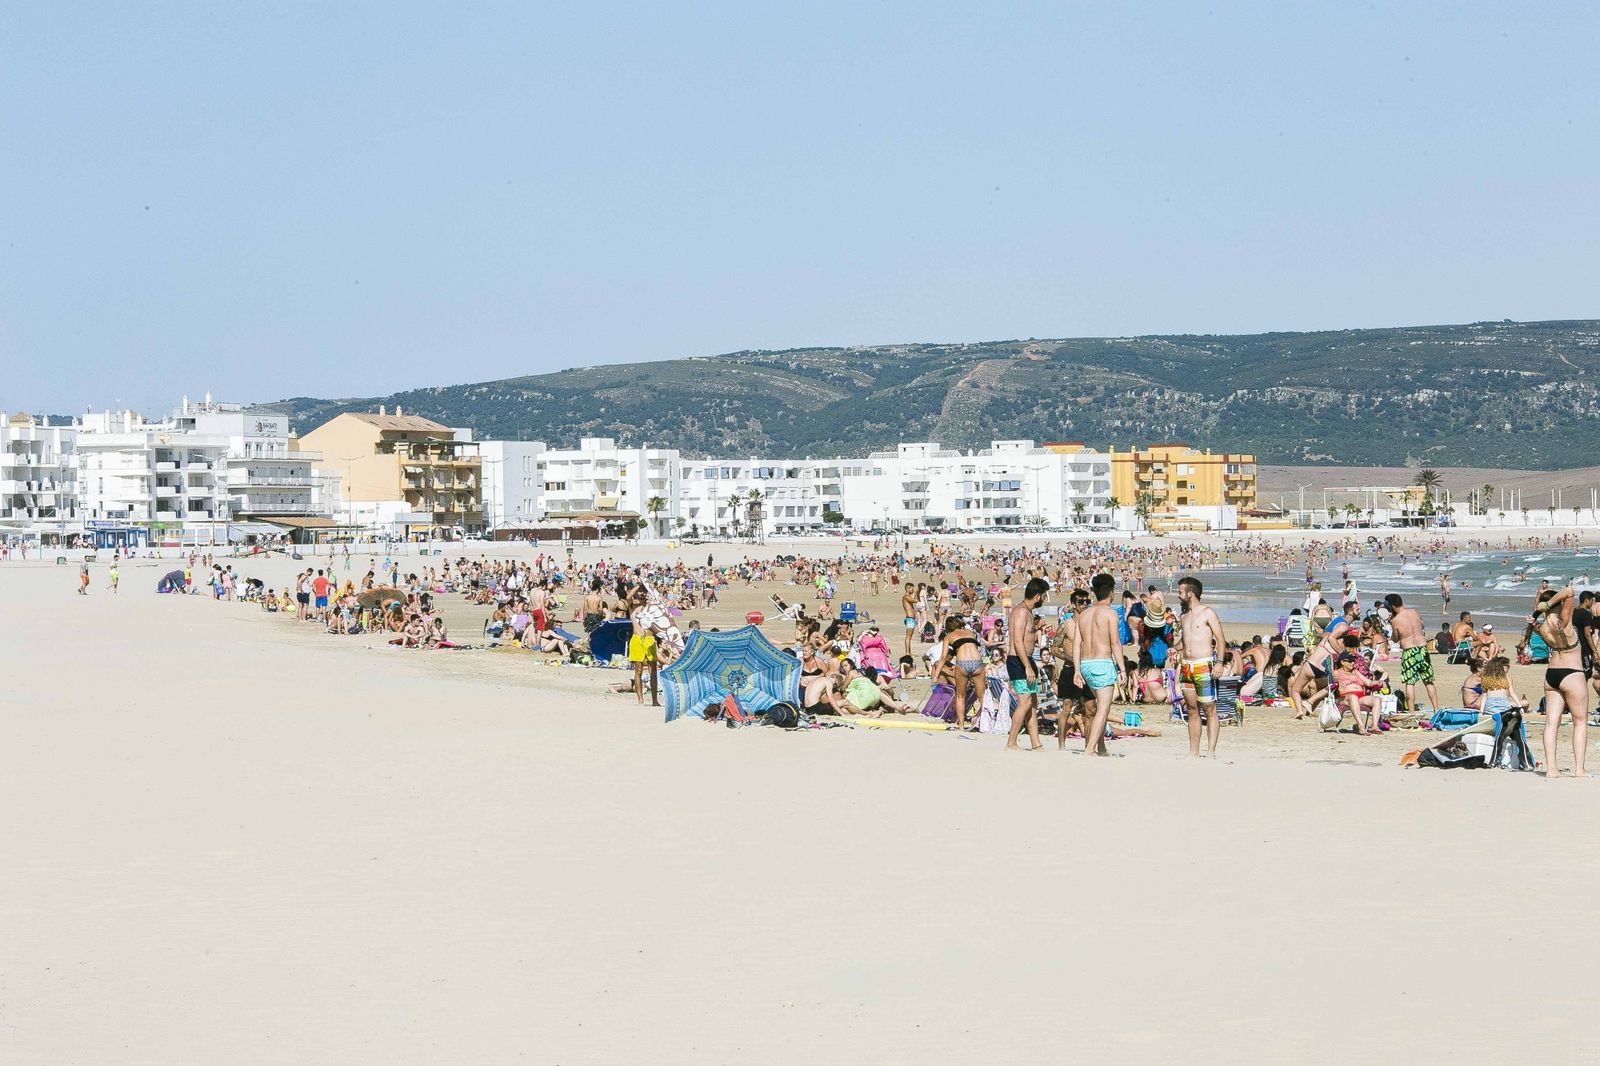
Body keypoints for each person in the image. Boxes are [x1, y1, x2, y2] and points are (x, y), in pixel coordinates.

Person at [1538, 585, 1587, 780]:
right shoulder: (1564, 621)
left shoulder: (1543, 627)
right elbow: (1569, 590)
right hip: (1572, 673)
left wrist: (1542, 606)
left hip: (1552, 674)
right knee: (1580, 721)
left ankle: (1551, 769)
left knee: (1551, 723)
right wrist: (1549, 603)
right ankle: (1579, 769)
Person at [1074, 573, 1123, 756]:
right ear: (1111, 592)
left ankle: (1101, 747)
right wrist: (1122, 668)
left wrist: (1077, 670)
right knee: (1103, 709)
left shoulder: (1084, 614)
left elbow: (1077, 644)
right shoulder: (1110, 613)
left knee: (1099, 708)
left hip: (1086, 664)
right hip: (1102, 663)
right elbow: (1115, 643)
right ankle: (1089, 750)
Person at [1176, 576, 1225, 757]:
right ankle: (1193, 751)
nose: (1178, 595)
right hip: (1186, 666)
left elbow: (1220, 639)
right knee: (1191, 709)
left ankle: (1211, 751)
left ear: (1190, 593)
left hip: (1203, 664)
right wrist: (1173, 648)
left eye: (1180, 591)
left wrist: (1219, 662)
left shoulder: (1207, 612)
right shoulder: (1183, 616)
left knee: (1209, 708)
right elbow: (1183, 642)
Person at [1004, 576, 1050, 751]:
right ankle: (1011, 742)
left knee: (1032, 704)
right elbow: (1017, 641)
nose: (1044, 600)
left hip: (1026, 659)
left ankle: (1036, 743)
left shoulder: (1029, 612)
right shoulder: (1021, 612)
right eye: (1043, 596)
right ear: (1037, 596)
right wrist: (1028, 666)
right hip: (1018, 660)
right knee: (1024, 702)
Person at [1386, 593, 1440, 715]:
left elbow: (1395, 639)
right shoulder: (1414, 612)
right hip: (1422, 649)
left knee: (1410, 683)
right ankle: (1436, 709)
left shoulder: (1396, 620)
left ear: (1392, 606)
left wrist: (1391, 623)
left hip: (1409, 651)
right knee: (1428, 681)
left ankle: (1411, 713)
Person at [932, 616, 986, 730]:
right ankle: (986, 723)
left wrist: (935, 676)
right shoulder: (970, 633)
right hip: (977, 662)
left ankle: (961, 726)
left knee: (960, 696)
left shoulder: (948, 637)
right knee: (982, 696)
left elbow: (943, 658)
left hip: (962, 663)